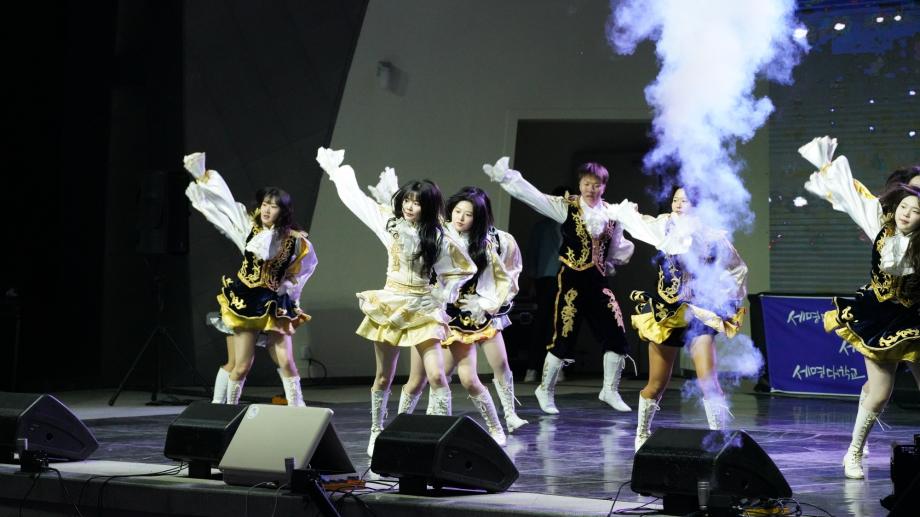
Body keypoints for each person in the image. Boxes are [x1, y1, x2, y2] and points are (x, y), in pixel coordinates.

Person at [315, 148, 475, 457]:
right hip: (391, 304)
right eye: (407, 201)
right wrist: (338, 173)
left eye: (417, 202)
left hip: (424, 307)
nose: (410, 207)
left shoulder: (439, 236)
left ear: (428, 206)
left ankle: (439, 438)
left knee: (438, 376)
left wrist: (445, 291)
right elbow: (358, 202)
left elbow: (463, 267)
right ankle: (377, 430)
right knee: (384, 377)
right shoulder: (389, 223)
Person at [799, 136, 920, 479]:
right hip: (879, 315)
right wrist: (825, 163)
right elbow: (853, 195)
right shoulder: (880, 220)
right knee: (880, 392)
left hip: (915, 318)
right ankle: (853, 452)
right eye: (908, 200)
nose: (910, 210)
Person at [483, 157, 634, 414]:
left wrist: (609, 262)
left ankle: (610, 389)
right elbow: (535, 198)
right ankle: (545, 389)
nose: (591, 189)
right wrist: (508, 178)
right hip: (572, 281)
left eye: (596, 185)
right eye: (586, 184)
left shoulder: (612, 214)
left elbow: (618, 247)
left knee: (617, 335)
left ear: (604, 186)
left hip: (598, 282)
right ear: (580, 184)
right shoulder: (567, 207)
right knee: (564, 336)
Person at [612, 187, 747, 451]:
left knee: (709, 382)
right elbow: (636, 223)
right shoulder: (663, 226)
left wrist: (726, 296)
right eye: (675, 199)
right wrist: (618, 211)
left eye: (684, 200)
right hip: (666, 313)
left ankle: (719, 439)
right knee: (656, 384)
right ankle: (642, 433)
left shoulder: (711, 235)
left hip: (699, 313)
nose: (678, 204)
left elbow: (737, 268)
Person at [183, 152, 317, 407]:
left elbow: (304, 268)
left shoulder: (296, 241)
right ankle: (225, 409)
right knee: (240, 364)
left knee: (287, 361)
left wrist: (289, 287)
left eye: (273, 206)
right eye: (265, 204)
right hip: (246, 302)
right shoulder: (249, 228)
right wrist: (204, 177)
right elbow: (227, 205)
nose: (266, 209)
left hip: (274, 304)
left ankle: (298, 410)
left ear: (283, 211)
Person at [398, 186, 528, 445]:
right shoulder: (439, 234)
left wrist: (486, 303)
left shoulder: (493, 241)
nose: (460, 218)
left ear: (478, 217)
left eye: (468, 214)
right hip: (438, 314)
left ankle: (502, 421)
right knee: (429, 377)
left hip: (472, 317)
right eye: (457, 211)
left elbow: (506, 278)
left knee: (478, 373)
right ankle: (406, 429)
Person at [524, 186, 567, 383]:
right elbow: (532, 254)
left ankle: (557, 368)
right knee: (542, 321)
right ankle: (533, 367)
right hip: (546, 277)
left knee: (563, 323)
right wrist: (532, 280)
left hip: (568, 277)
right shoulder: (542, 226)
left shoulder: (575, 224)